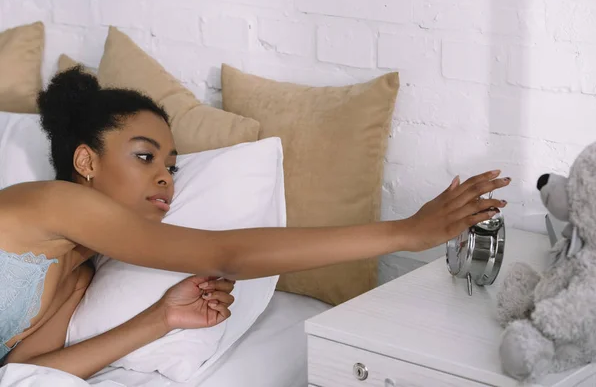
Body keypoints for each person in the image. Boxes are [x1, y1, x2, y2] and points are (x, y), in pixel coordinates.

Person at [0, 67, 510, 379]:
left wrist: (160, 320)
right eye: (144, 157)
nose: (165, 180)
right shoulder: (52, 202)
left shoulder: (79, 274)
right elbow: (226, 255)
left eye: (171, 167)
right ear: (85, 163)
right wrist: (407, 233)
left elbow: (25, 374)